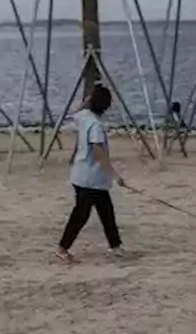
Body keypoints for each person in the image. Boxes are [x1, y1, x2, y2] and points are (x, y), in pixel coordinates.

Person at [56, 84, 125, 263]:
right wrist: (115, 175)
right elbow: (98, 153)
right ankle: (62, 248)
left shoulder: (85, 117)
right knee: (81, 214)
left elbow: (78, 111)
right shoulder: (95, 125)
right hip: (89, 178)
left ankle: (115, 246)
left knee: (106, 211)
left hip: (85, 175)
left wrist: (88, 99)